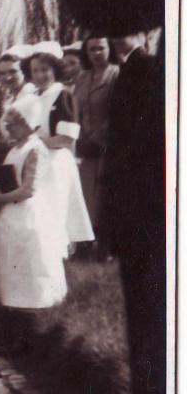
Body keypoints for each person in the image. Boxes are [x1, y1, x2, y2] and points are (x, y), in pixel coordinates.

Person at [63, 0, 166, 394]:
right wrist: (111, 225)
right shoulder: (141, 73)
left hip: (161, 221)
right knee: (147, 333)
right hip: (143, 226)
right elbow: (123, 160)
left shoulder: (150, 73)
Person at [0, 94, 67, 311]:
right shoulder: (14, 149)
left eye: (15, 123)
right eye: (8, 123)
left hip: (29, 213)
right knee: (12, 267)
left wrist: (1, 198)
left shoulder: (35, 148)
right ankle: (13, 316)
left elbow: (29, 189)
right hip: (10, 213)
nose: (10, 127)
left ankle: (35, 315)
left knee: (32, 266)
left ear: (28, 122)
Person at [28, 41, 95, 249]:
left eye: (45, 70)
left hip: (55, 164)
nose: (40, 75)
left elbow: (66, 139)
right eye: (35, 71)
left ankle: (57, 256)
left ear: (55, 70)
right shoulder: (32, 98)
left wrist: (34, 143)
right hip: (36, 161)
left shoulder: (63, 96)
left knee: (54, 211)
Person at [72, 36, 121, 254]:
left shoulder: (117, 74)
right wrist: (79, 138)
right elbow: (75, 111)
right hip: (85, 146)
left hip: (109, 145)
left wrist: (99, 139)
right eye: (92, 49)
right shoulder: (82, 78)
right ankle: (85, 245)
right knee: (86, 196)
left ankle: (106, 248)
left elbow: (119, 112)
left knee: (104, 195)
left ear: (109, 49)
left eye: (101, 48)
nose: (96, 53)